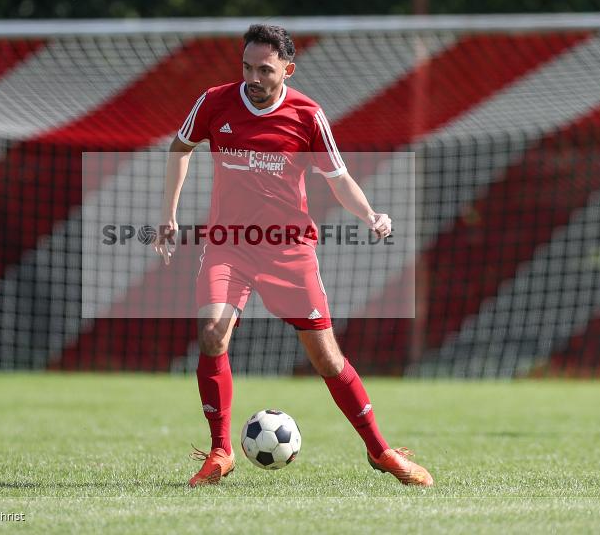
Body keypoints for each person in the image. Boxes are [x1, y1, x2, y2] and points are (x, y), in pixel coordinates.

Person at [155, 24, 433, 488]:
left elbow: (337, 177)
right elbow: (179, 147)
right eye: (247, 67)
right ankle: (221, 451)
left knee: (327, 360)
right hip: (229, 245)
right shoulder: (214, 102)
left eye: (265, 69)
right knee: (211, 334)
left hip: (288, 249)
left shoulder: (307, 114)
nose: (253, 77)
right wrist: (169, 215)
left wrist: (370, 215)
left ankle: (381, 450)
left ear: (288, 69)